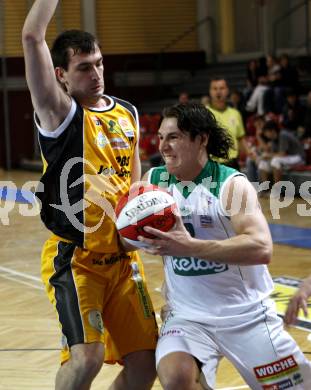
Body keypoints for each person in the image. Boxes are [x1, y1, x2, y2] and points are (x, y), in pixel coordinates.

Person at [22, 1, 157, 389]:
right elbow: (31, 37)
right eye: (84, 67)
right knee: (87, 359)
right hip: (76, 259)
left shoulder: (127, 112)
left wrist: (146, 216)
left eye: (98, 63)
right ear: (61, 74)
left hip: (124, 260)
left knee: (145, 365)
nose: (96, 73)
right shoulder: (58, 114)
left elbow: (134, 182)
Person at [138, 102, 311, 389]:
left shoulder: (231, 185)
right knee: (177, 377)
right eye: (160, 137)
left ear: (201, 139)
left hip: (247, 317)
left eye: (174, 137)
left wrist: (191, 247)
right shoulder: (154, 181)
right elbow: (128, 236)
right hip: (187, 318)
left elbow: (261, 247)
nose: (163, 146)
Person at [207, 77, 251, 170]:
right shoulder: (204, 113)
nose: (218, 92)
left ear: (227, 91)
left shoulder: (236, 113)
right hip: (211, 165)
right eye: (215, 89)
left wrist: (251, 155)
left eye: (222, 88)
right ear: (210, 92)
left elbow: (241, 139)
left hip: (232, 165)